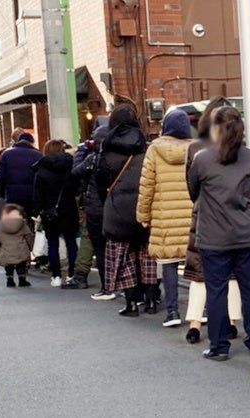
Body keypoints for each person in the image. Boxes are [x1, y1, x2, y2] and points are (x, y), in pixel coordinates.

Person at [188, 106, 250, 361]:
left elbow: (193, 192)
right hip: (246, 232)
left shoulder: (202, 159)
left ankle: (219, 346)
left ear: (216, 128)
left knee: (217, 290)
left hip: (213, 236)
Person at [183, 96, 244, 344]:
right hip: (234, 216)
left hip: (203, 216)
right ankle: (230, 322)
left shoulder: (196, 148)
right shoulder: (243, 147)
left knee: (200, 273)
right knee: (231, 274)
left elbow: (191, 187)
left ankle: (195, 324)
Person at [96, 105, 157, 317]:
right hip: (145, 209)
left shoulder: (106, 149)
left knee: (124, 258)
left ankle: (131, 303)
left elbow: (100, 180)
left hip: (117, 211)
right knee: (147, 255)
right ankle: (151, 301)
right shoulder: (147, 148)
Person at [136, 109, 194, 326]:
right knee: (197, 264)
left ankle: (173, 312)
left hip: (164, 217)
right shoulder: (196, 149)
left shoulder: (155, 150)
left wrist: (143, 214)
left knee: (169, 264)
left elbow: (147, 186)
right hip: (192, 215)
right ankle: (201, 310)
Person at [71, 123, 114, 299]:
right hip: (116, 207)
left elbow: (76, 172)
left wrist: (82, 151)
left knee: (100, 247)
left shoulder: (93, 158)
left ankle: (107, 287)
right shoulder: (120, 157)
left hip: (96, 208)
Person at [32, 140, 80, 288]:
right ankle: (72, 274)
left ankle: (56, 276)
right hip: (69, 209)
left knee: (52, 244)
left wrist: (37, 210)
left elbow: (37, 194)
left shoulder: (41, 169)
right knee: (71, 243)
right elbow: (77, 188)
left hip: (49, 211)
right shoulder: (71, 165)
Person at [0, 132, 42, 224]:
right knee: (31, 220)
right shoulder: (38, 155)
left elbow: (1, 176)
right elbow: (41, 176)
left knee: (15, 222)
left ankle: (18, 236)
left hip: (12, 195)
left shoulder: (6, 154)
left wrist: (2, 193)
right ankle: (31, 236)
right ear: (31, 142)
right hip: (32, 195)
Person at [0, 204, 34, 288]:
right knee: (21, 264)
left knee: (8, 265)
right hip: (20, 250)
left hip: (6, 251)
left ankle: (10, 280)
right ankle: (22, 279)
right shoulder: (22, 224)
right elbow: (29, 236)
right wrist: (31, 247)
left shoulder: (1, 226)